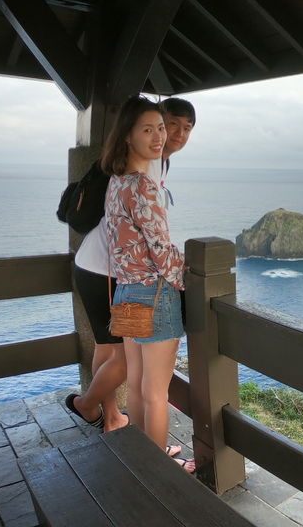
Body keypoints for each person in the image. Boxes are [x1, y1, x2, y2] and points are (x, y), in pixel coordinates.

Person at [65, 96, 195, 464]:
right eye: (148, 129)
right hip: (154, 295)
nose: (160, 136)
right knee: (155, 393)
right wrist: (187, 277)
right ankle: (156, 473)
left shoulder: (117, 183)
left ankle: (139, 463)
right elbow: (161, 252)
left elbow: (126, 246)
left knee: (137, 387)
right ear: (127, 135)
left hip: (123, 290)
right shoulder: (144, 185)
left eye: (160, 128)